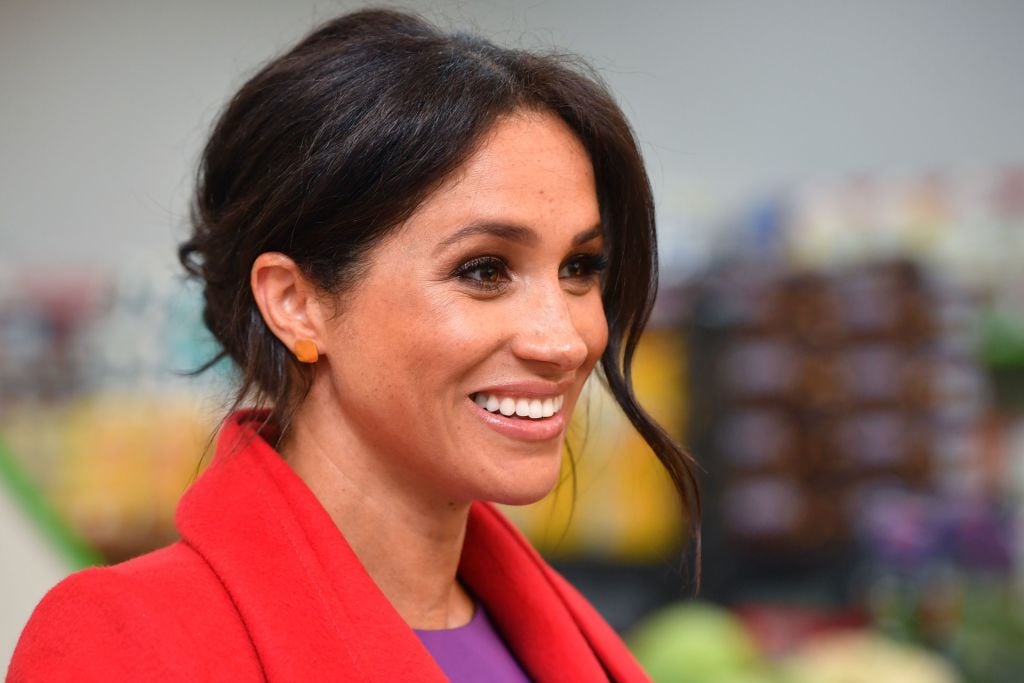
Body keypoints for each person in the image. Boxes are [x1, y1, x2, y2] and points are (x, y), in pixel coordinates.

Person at [8, 8, 699, 682]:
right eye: (484, 270)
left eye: (580, 268)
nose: (564, 339)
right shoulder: (127, 644)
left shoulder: (563, 634)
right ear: (295, 303)